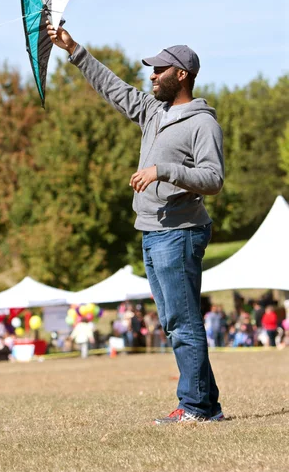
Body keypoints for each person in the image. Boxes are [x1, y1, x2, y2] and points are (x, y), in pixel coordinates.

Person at [47, 22, 224, 424]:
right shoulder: (153, 112)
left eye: (160, 70)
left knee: (182, 322)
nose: (152, 75)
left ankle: (195, 408)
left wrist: (164, 169)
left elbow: (213, 179)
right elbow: (114, 88)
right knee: (175, 321)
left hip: (179, 233)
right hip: (152, 231)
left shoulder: (202, 124)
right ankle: (207, 404)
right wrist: (74, 49)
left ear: (182, 75)